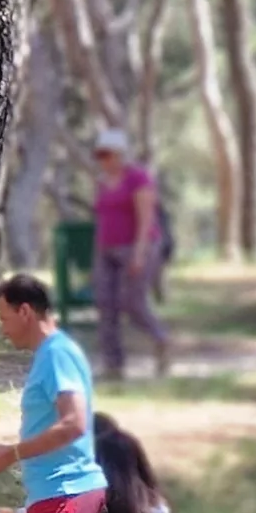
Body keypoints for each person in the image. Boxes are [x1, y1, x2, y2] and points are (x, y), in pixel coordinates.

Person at [0, 274, 110, 513]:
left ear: (25, 312)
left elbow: (74, 423)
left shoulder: (57, 354)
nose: (4, 330)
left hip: (65, 496)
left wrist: (12, 453)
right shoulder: (50, 354)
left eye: (5, 319)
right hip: (47, 498)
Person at [88, 127, 171, 379]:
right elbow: (102, 219)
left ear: (119, 154)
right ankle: (113, 364)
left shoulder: (138, 178)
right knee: (106, 303)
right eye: (99, 155)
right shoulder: (102, 183)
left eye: (107, 154)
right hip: (106, 249)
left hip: (136, 247)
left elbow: (146, 218)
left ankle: (160, 339)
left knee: (131, 301)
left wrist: (139, 253)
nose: (103, 160)